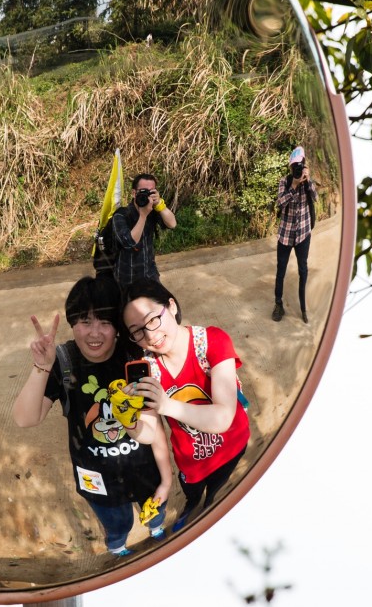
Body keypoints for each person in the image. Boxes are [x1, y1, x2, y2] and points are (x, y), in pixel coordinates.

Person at [13, 276, 172, 556]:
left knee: (156, 512)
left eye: (105, 322)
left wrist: (166, 477)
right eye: (85, 322)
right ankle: (117, 546)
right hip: (97, 480)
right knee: (118, 524)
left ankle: (156, 528)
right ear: (72, 323)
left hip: (144, 469)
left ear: (118, 327)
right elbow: (25, 419)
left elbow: (153, 425)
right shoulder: (63, 361)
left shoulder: (134, 357)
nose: (94, 333)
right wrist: (42, 367)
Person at [122, 278, 250, 532]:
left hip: (232, 448)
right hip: (191, 462)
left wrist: (165, 405)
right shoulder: (150, 369)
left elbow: (223, 418)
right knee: (193, 494)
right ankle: (192, 507)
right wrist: (128, 419)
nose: (150, 336)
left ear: (171, 306)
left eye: (153, 319)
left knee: (216, 494)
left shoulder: (213, 341)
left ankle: (207, 507)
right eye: (137, 331)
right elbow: (148, 433)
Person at [103, 173, 176, 287]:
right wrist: (143, 216)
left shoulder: (152, 211)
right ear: (134, 193)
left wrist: (160, 205)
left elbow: (172, 224)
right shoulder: (121, 215)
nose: (146, 196)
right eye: (143, 191)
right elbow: (129, 243)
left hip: (150, 273)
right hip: (127, 277)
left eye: (151, 192)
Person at [272, 146, 317, 324]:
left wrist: (308, 180)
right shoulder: (285, 181)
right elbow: (280, 203)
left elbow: (315, 197)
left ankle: (303, 307)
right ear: (290, 167)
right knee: (281, 270)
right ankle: (278, 304)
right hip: (285, 234)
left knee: (303, 270)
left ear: (304, 165)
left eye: (300, 165)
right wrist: (294, 185)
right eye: (294, 166)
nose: (296, 169)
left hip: (303, 234)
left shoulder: (307, 182)